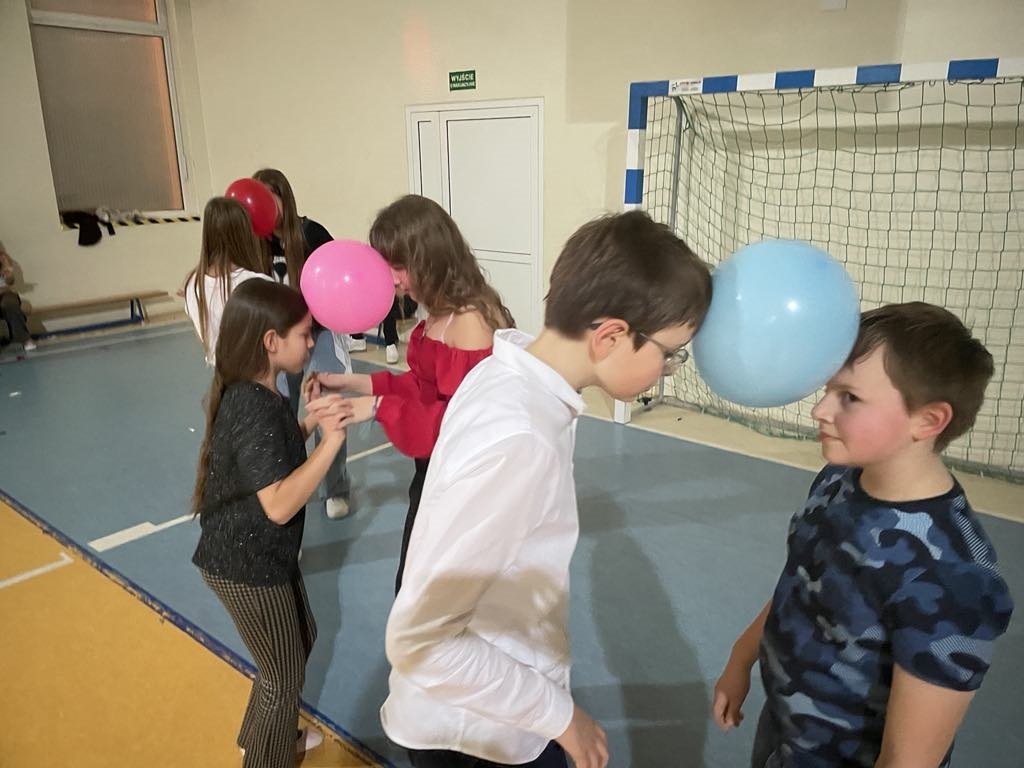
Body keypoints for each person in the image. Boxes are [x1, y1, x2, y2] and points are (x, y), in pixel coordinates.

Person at [380, 210, 713, 768]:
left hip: (489, 700)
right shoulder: (522, 438)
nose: (668, 369)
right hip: (472, 733)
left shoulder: (506, 375)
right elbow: (421, 640)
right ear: (611, 336)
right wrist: (560, 715)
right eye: (670, 353)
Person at [712, 302, 1014, 768]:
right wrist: (742, 656)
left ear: (928, 420)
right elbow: (802, 581)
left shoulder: (955, 578)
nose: (819, 409)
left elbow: (908, 760)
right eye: (827, 388)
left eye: (849, 397)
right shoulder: (838, 480)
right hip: (787, 728)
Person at [312, 194, 513, 592]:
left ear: (429, 258)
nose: (391, 278)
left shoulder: (471, 322)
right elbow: (422, 386)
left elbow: (457, 425)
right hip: (435, 474)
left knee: (428, 590)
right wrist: (351, 383)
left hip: (460, 485)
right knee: (413, 584)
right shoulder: (441, 311)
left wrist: (378, 407)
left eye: (399, 266)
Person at [191, 278, 352, 768]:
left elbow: (274, 456)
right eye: (304, 334)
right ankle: (265, 756)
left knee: (300, 639)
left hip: (262, 554)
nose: (311, 342)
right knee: (283, 675)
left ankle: (261, 734)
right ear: (271, 341)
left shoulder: (263, 394)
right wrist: (331, 443)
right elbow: (279, 504)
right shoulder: (252, 405)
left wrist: (310, 420)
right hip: (246, 562)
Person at [254, 168, 353, 519]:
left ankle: (335, 489)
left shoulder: (311, 233)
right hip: (281, 340)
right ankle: (285, 485)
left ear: (284, 197)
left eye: (270, 198)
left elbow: (341, 275)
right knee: (279, 412)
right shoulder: (256, 242)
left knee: (327, 405)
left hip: (320, 333)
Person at [184, 197, 271, 365]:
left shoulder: (193, 283)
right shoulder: (256, 283)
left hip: (221, 373)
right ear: (245, 235)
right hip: (256, 372)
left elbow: (203, 334)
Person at [0, 240, 35, 353]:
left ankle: (24, 339)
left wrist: (9, 273)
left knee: (9, 303)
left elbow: (10, 282)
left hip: (4, 294)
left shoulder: (3, 258)